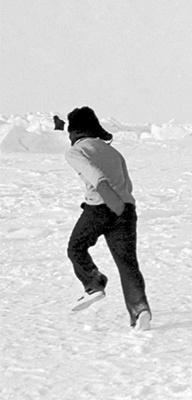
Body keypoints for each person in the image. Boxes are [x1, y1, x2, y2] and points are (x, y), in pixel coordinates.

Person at [64, 106, 151, 330]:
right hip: (126, 210)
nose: (69, 138)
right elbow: (127, 184)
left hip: (101, 207)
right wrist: (122, 207)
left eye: (69, 133)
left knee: (76, 247)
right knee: (127, 263)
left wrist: (109, 201)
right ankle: (140, 311)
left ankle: (93, 285)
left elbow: (96, 177)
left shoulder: (76, 150)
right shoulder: (113, 152)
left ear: (75, 132)